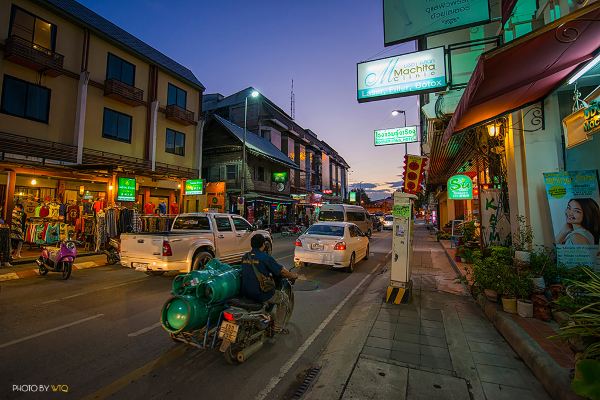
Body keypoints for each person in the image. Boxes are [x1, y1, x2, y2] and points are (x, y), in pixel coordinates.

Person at [240, 235, 298, 333]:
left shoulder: (245, 256)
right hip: (260, 294)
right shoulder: (265, 257)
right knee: (283, 299)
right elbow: (282, 272)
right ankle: (277, 328)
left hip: (245, 292)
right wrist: (292, 276)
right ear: (263, 245)